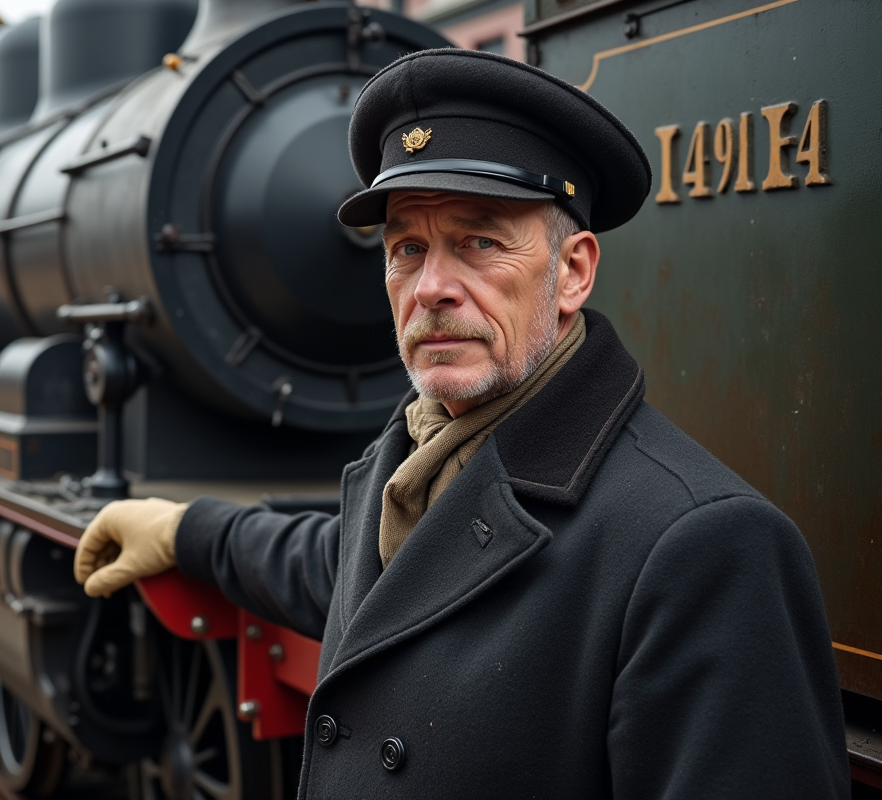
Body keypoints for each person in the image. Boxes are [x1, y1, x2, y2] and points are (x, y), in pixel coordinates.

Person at [73, 49, 848, 798]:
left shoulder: (706, 547)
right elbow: (336, 569)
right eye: (407, 247)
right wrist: (181, 530)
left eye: (479, 241)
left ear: (573, 270)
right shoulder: (417, 463)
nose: (432, 287)